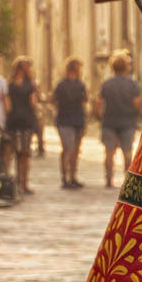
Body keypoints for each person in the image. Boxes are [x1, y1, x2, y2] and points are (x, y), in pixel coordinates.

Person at [98, 51, 142, 188]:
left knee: (109, 153)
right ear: (126, 67)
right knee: (127, 153)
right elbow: (136, 103)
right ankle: (127, 181)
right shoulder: (132, 84)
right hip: (127, 122)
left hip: (109, 122)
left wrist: (101, 116)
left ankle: (109, 179)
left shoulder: (106, 83)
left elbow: (98, 104)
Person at [5, 57, 41, 195]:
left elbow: (7, 105)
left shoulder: (8, 84)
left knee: (12, 153)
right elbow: (33, 102)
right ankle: (23, 183)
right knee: (24, 154)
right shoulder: (30, 84)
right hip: (26, 120)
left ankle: (12, 182)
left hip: (12, 121)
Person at [52, 58, 88, 189]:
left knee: (69, 150)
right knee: (72, 150)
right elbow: (85, 100)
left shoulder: (61, 84)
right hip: (75, 119)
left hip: (66, 119)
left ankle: (67, 177)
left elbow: (53, 100)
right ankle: (71, 177)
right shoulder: (80, 84)